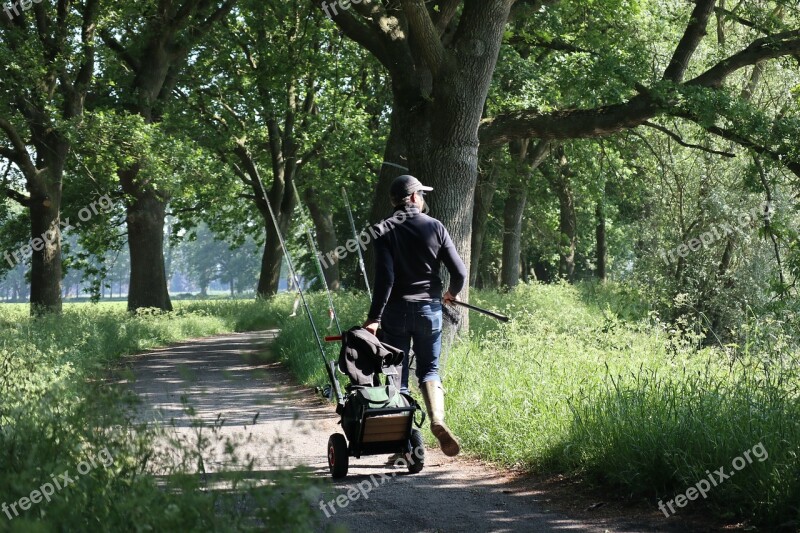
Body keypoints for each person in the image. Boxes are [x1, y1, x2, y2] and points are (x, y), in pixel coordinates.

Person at [363, 174, 467, 457]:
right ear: (412, 198)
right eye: (421, 194)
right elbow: (459, 273)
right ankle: (437, 420)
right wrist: (452, 294)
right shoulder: (436, 227)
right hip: (429, 312)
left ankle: (404, 444)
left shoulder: (382, 230)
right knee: (430, 370)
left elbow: (385, 278)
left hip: (396, 313)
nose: (423, 199)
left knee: (397, 376)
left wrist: (374, 318)